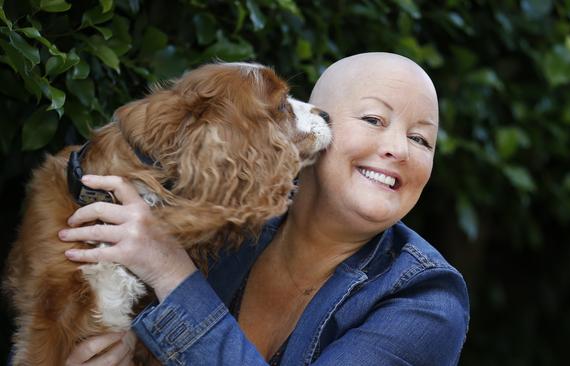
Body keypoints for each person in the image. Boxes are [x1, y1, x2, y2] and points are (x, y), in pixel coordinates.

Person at [57, 52, 470, 365]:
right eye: (374, 120)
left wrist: (170, 272)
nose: (398, 149)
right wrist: (130, 348)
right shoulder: (224, 216)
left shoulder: (428, 302)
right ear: (315, 125)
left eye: (421, 140)